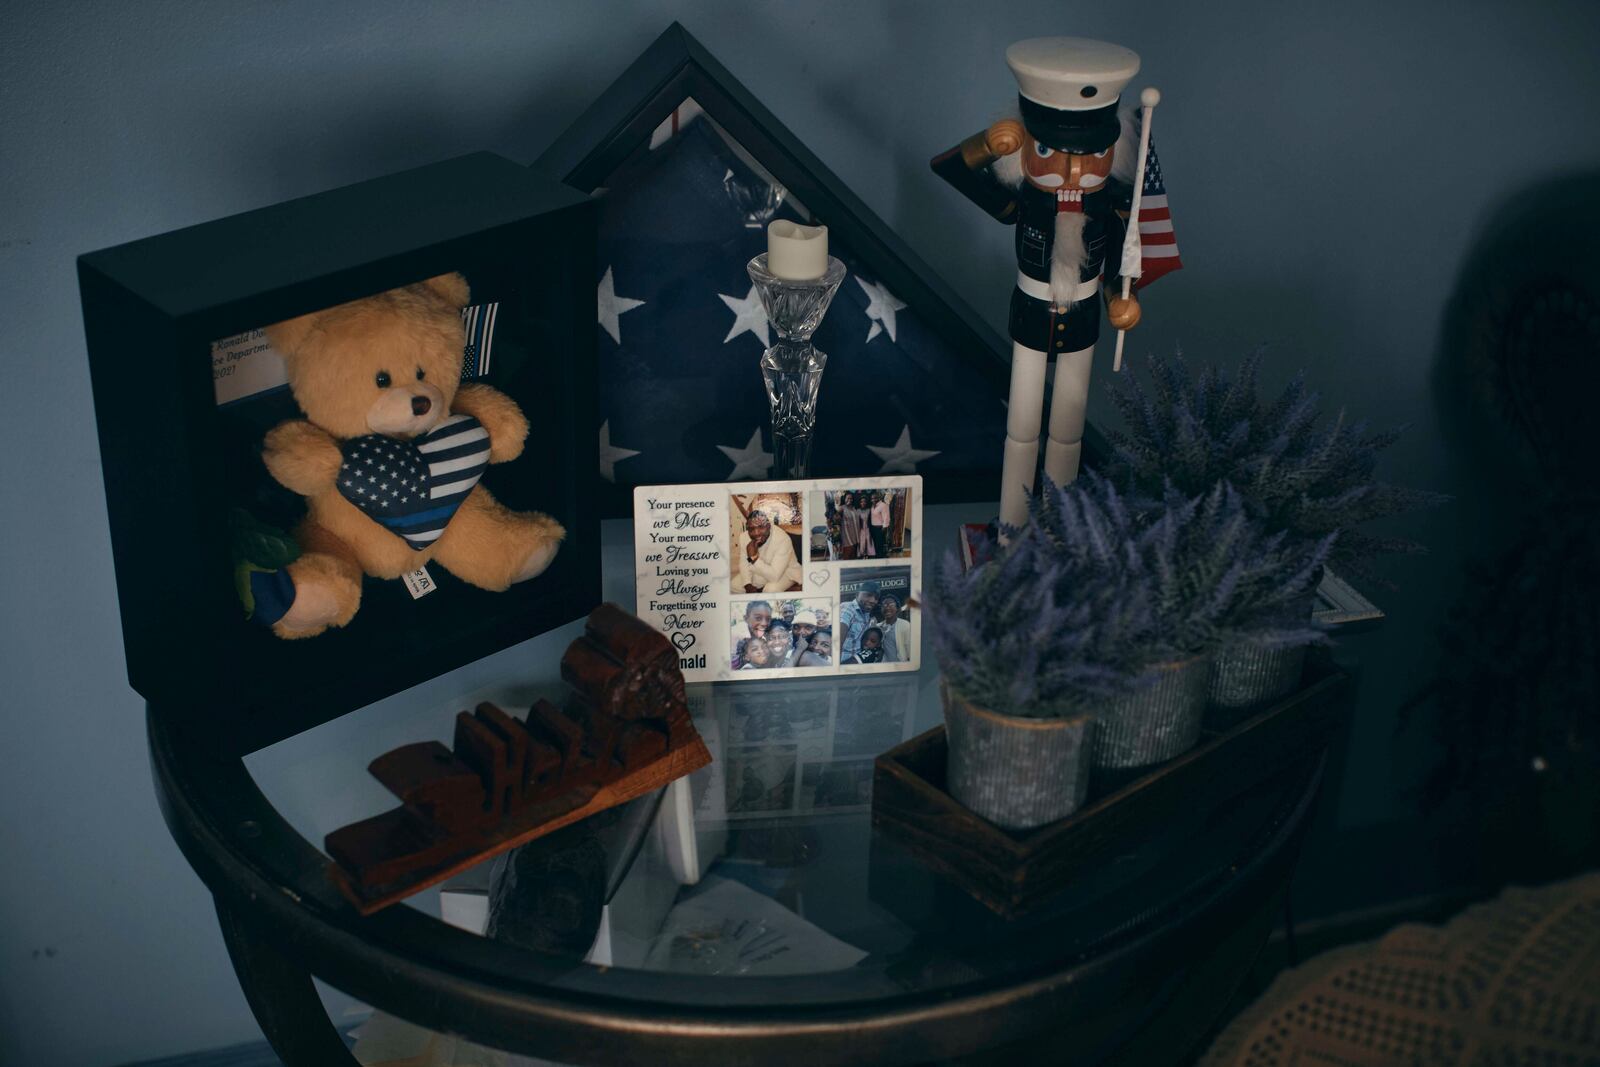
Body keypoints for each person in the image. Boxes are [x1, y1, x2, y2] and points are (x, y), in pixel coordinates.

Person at [931, 38, 1177, 533]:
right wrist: (986, 143)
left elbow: (1121, 261)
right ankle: (1011, 528)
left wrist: (1119, 298)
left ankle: (1056, 530)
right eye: (1047, 150)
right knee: (1021, 430)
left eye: (1091, 156)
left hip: (1083, 317)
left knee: (1067, 433)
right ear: (1022, 148)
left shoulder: (1109, 205)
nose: (1071, 171)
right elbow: (949, 168)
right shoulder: (1027, 201)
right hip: (1030, 310)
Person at [734, 510, 802, 593]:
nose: (756, 533)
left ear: (768, 526)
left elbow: (774, 576)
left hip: (785, 572)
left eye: (761, 527)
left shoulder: (783, 539)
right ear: (748, 528)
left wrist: (753, 558)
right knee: (734, 586)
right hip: (759, 570)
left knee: (770, 590)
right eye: (751, 529)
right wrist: (747, 584)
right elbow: (744, 563)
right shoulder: (743, 537)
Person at [838, 580, 880, 662]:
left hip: (857, 661)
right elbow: (837, 642)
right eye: (868, 595)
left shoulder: (866, 614)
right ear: (857, 595)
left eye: (876, 598)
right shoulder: (847, 608)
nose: (872, 600)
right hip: (843, 663)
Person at [879, 594, 912, 663]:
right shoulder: (878, 627)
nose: (887, 608)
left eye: (891, 605)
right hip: (883, 667)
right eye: (884, 605)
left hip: (901, 666)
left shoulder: (905, 625)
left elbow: (910, 649)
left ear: (897, 608)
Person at [838, 492, 861, 560]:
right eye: (848, 498)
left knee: (854, 557)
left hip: (856, 536)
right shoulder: (842, 508)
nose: (850, 500)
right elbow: (836, 517)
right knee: (847, 557)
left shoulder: (854, 508)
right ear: (844, 499)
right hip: (847, 537)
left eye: (851, 498)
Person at [869, 491, 892, 558]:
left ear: (879, 497)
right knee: (875, 544)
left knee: (880, 544)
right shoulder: (872, 506)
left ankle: (880, 557)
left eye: (875, 498)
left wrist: (884, 528)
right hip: (873, 528)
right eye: (872, 498)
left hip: (880, 528)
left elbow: (886, 518)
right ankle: (877, 556)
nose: (873, 500)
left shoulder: (883, 505)